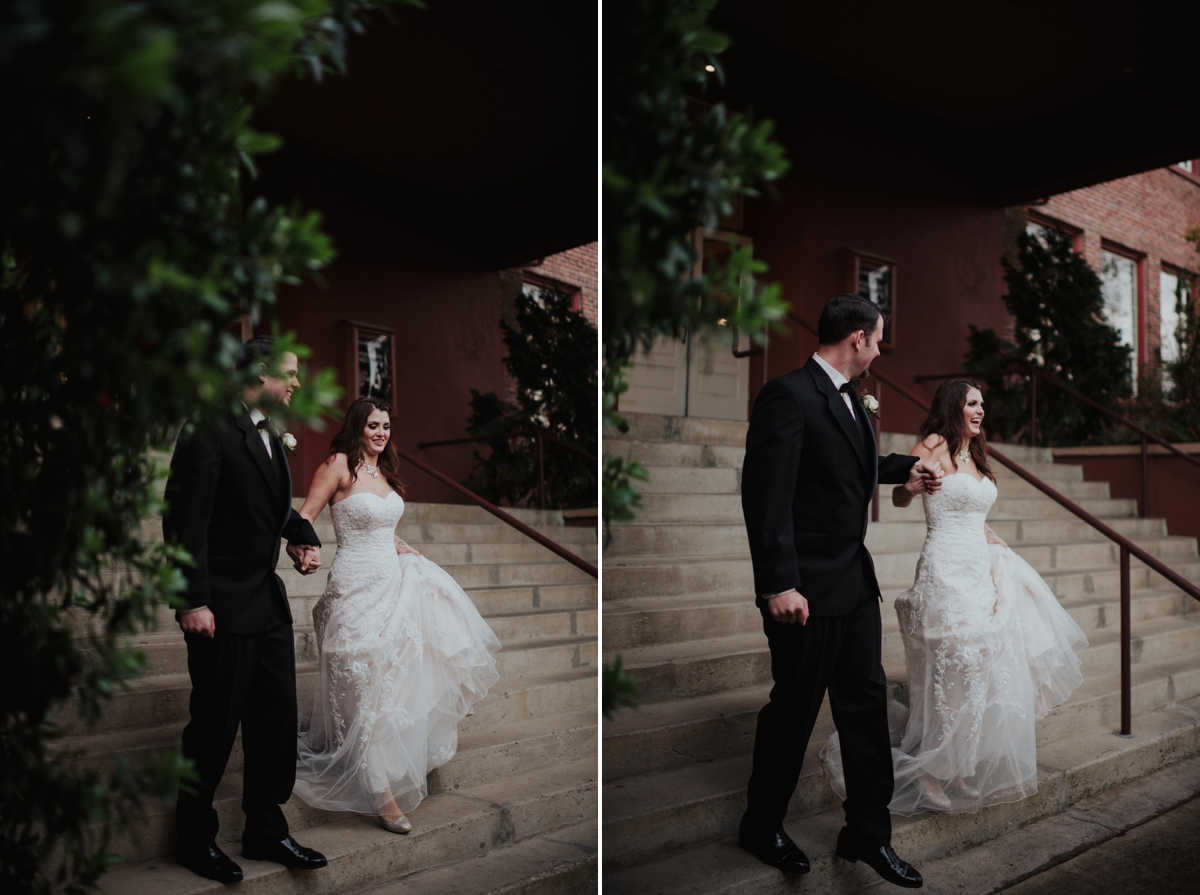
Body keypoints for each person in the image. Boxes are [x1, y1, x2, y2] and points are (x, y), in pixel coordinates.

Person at [739, 294, 943, 889]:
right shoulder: (788, 394)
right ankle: (761, 824)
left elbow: (850, 462)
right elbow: (766, 495)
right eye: (877, 339)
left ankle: (868, 835)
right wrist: (778, 582)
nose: (879, 350)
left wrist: (906, 466)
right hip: (802, 594)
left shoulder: (850, 401)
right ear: (857, 338)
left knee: (865, 708)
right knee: (793, 714)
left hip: (853, 587)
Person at [820, 379, 1087, 814]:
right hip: (944, 569)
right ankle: (927, 770)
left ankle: (957, 765)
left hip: (978, 569)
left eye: (983, 403)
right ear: (953, 407)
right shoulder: (933, 444)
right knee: (951, 669)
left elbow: (972, 511)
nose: (981, 410)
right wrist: (912, 487)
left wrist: (989, 537)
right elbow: (900, 495)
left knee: (974, 671)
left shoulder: (976, 453)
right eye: (972, 403)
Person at [291, 395, 500, 833]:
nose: (381, 433)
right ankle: (378, 788)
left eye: (386, 426)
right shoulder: (338, 465)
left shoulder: (384, 470)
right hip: (353, 583)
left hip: (392, 577)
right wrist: (303, 548)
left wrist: (397, 542)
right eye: (373, 425)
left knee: (400, 669)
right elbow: (305, 516)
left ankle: (382, 780)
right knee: (359, 668)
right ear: (357, 427)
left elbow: (382, 523)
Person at [164, 336, 328, 885]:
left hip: (265, 601)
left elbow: (270, 504)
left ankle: (265, 825)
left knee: (276, 718)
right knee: (213, 725)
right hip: (221, 606)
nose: (298, 383)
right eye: (291, 373)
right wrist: (191, 598)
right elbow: (185, 517)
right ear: (259, 372)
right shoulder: (208, 426)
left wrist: (300, 535)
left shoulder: (271, 435)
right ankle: (193, 836)